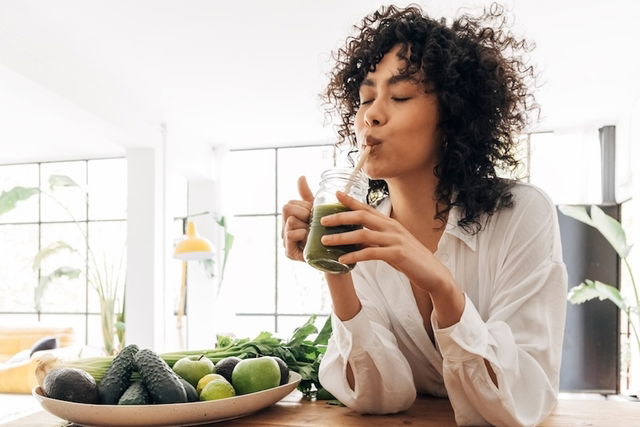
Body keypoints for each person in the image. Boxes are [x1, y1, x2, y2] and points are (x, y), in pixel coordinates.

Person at [282, 4, 567, 426]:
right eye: (365, 97)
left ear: (452, 114)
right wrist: (334, 266)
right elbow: (378, 399)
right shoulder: (361, 226)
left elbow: (521, 400)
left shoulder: (522, 215)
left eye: (399, 96)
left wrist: (441, 287)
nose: (371, 115)